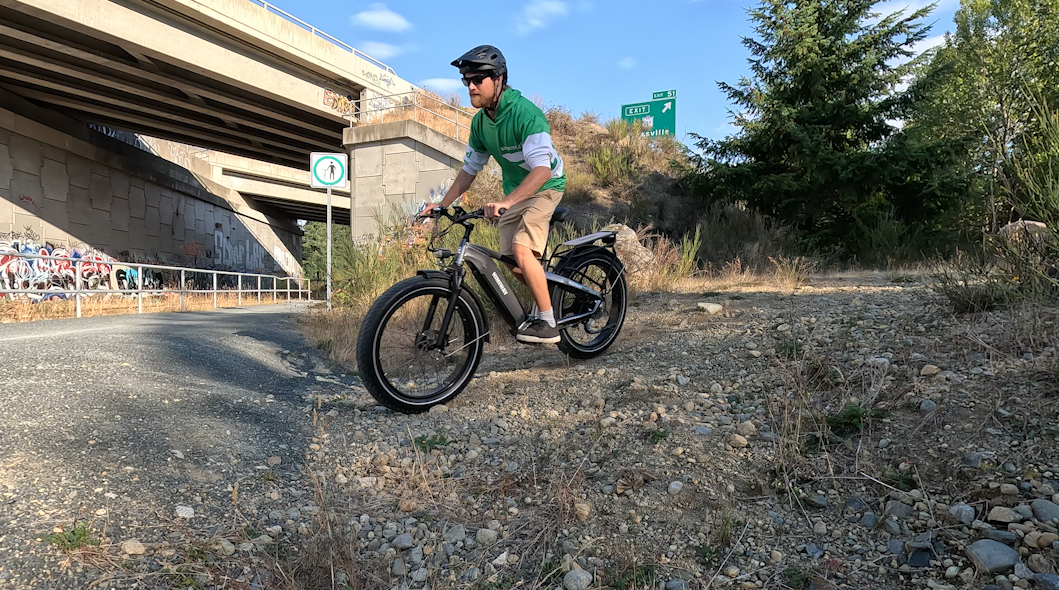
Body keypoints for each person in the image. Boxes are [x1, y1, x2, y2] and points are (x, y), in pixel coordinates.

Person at [421, 45, 566, 344]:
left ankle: (549, 323)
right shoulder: (480, 123)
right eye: (466, 81)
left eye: (478, 80)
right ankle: (550, 298)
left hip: (546, 186)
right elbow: (469, 170)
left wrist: (506, 202)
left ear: (499, 79)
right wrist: (442, 205)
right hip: (517, 193)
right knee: (513, 262)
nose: (471, 86)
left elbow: (541, 171)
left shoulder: (526, 114)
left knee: (523, 250)